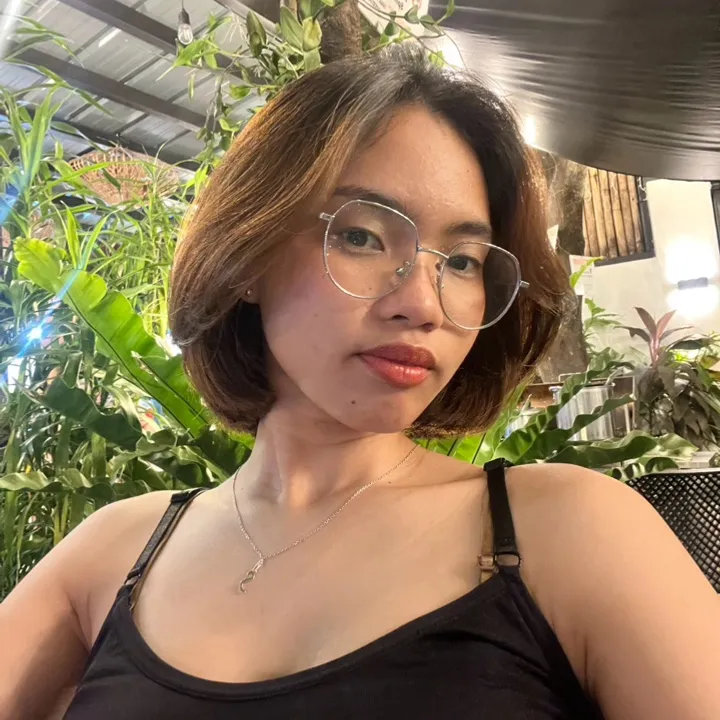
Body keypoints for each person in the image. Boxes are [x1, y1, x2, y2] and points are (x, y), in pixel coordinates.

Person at [1, 46, 718, 720]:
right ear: (248, 254)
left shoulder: (569, 533)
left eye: (462, 261)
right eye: (362, 236)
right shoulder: (118, 553)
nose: (424, 303)